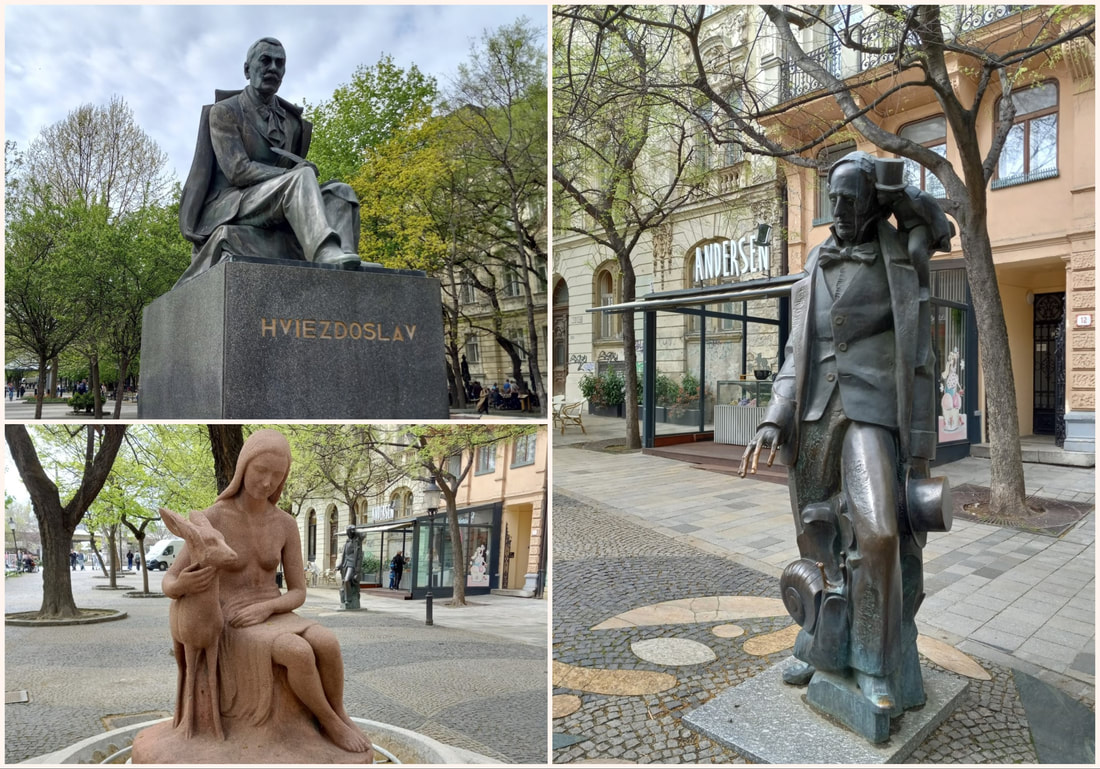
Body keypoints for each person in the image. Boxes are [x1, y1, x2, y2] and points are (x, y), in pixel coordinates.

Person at [741, 152, 952, 725]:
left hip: (872, 413)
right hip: (812, 416)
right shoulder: (814, 262)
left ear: (873, 202)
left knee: (880, 535)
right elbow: (796, 352)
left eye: (849, 197)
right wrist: (772, 417)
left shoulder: (900, 254)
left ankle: (877, 664)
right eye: (831, 197)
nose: (836, 209)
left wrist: (898, 193)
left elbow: (936, 228)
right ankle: (819, 647)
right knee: (819, 542)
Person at [162, 430, 369, 753]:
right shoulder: (214, 517)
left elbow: (298, 591)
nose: (267, 482)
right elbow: (170, 580)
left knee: (327, 642)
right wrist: (183, 585)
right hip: (233, 619)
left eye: (277, 475)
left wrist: (268, 608)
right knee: (297, 652)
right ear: (244, 466)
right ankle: (329, 721)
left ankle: (340, 712)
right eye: (261, 471)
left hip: (274, 610)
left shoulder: (285, 523)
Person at [176, 37, 365, 286]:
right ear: (247, 69)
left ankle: (343, 258)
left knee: (340, 192)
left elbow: (294, 182)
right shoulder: (224, 111)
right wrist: (291, 175)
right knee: (300, 177)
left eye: (280, 63)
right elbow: (238, 171)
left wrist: (295, 176)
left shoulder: (292, 122)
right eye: (265, 61)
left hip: (275, 197)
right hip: (233, 202)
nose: (273, 68)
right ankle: (323, 252)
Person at [335, 525, 362, 609]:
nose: (348, 533)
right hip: (345, 564)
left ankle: (348, 600)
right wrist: (339, 565)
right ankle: (345, 600)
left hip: (352, 565)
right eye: (347, 532)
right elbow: (344, 555)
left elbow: (359, 557)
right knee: (344, 583)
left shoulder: (357, 542)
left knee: (347, 580)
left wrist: (357, 569)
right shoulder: (347, 542)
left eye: (349, 532)